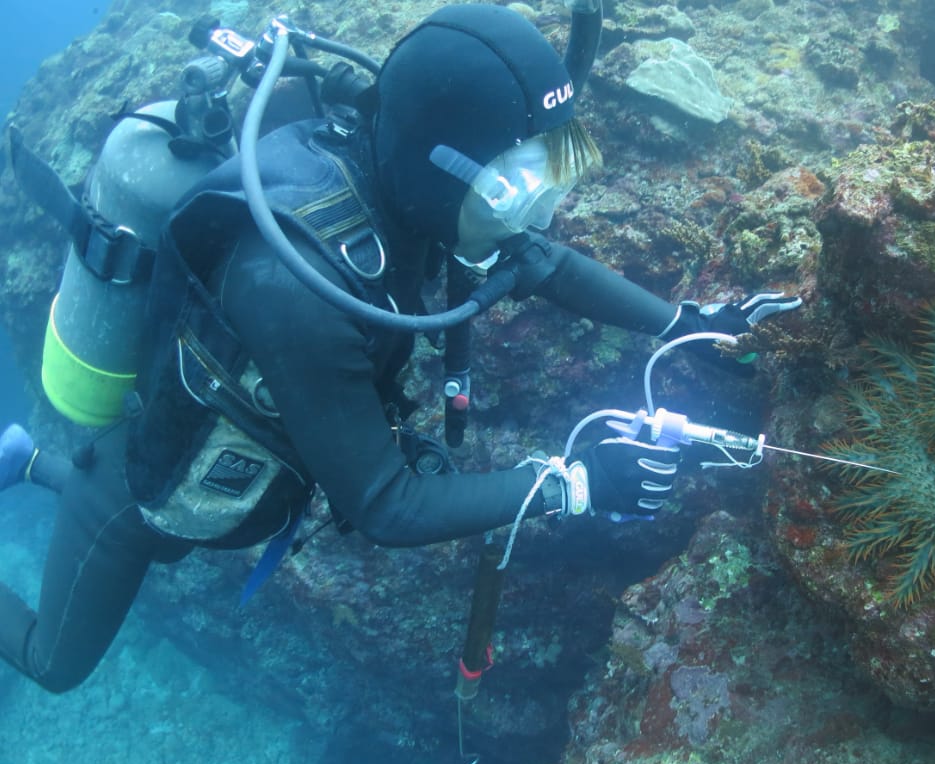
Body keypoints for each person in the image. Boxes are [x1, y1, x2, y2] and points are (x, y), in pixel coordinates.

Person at [0, 4, 797, 693]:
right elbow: (384, 504)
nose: (539, 215)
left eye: (553, 180)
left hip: (233, 468)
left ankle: (25, 461)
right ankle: (46, 470)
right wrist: (578, 484)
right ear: (442, 172)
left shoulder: (402, 177)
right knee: (59, 657)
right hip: (143, 494)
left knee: (176, 534)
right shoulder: (295, 285)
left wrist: (688, 323)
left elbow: (535, 259)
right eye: (519, 189)